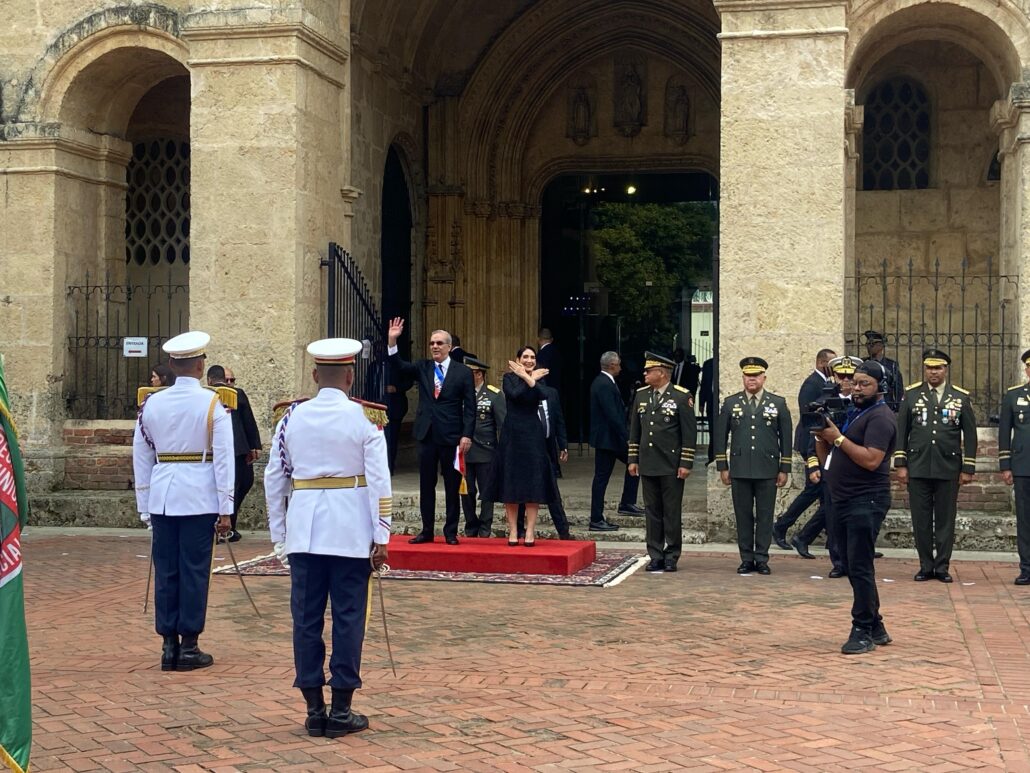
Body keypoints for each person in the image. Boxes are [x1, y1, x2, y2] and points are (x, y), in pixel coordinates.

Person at [263, 337, 391, 738]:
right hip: (350, 530)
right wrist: (382, 534)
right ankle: (342, 707)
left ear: (316, 375)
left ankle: (313, 707)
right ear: (350, 376)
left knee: (305, 619)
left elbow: (274, 479)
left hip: (304, 530)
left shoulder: (290, 418)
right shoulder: (366, 419)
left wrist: (279, 535)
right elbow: (379, 482)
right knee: (349, 618)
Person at [132, 331, 234, 671]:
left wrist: (144, 504)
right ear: (200, 365)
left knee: (167, 570)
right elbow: (223, 459)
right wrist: (226, 508)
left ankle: (167, 645)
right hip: (199, 496)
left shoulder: (151, 403)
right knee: (194, 571)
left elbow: (142, 456)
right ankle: (189, 645)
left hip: (162, 495)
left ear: (173, 366)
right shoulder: (212, 403)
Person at [814, 360, 897, 654]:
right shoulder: (855, 412)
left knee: (860, 565)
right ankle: (875, 625)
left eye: (865, 384)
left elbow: (872, 460)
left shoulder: (881, 418)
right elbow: (828, 459)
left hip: (867, 499)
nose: (857, 388)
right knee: (849, 564)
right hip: (842, 498)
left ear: (880, 387)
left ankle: (861, 628)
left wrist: (837, 437)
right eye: (854, 383)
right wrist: (822, 436)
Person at [387, 317, 475, 545]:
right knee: (426, 485)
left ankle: (450, 532)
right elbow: (400, 366)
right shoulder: (423, 367)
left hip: (451, 435)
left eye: (438, 343)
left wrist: (467, 434)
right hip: (426, 434)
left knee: (452, 485)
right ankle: (426, 530)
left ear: (448, 346)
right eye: (431, 343)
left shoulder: (462, 372)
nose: (434, 346)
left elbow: (470, 407)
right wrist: (392, 341)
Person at [894, 348, 977, 583]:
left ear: (945, 370)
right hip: (918, 466)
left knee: (945, 520)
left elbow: (970, 435)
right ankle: (925, 566)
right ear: (925, 369)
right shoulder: (911, 395)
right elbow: (902, 432)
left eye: (938, 368)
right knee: (920, 520)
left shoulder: (960, 397)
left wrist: (968, 468)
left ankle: (942, 567)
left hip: (948, 467)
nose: (934, 372)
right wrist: (901, 464)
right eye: (930, 368)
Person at [714, 357, 792, 575]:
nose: (752, 380)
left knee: (765, 515)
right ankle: (746, 558)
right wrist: (723, 466)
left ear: (763, 378)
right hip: (739, 468)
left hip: (767, 468)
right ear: (743, 378)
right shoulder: (731, 403)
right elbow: (720, 437)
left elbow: (786, 438)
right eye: (748, 376)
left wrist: (784, 468)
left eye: (756, 375)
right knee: (743, 515)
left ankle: (762, 558)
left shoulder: (777, 403)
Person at [790, 355, 861, 576]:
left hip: (857, 468)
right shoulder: (823, 404)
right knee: (833, 517)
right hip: (831, 466)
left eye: (851, 376)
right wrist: (814, 466)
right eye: (843, 376)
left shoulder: (862, 405)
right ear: (835, 377)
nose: (847, 381)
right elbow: (813, 438)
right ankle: (839, 562)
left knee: (857, 517)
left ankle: (856, 560)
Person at [483, 346, 559, 546]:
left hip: (533, 434)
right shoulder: (509, 378)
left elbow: (544, 395)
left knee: (533, 482)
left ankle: (530, 531)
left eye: (532, 357)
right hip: (512, 433)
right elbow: (514, 395)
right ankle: (514, 530)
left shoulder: (538, 378)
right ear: (518, 359)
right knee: (511, 481)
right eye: (525, 357)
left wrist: (529, 377)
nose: (529, 360)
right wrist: (529, 378)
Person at [628, 352, 696, 572]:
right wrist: (633, 459)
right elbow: (635, 430)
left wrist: (685, 463)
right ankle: (655, 553)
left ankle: (672, 554)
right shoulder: (641, 395)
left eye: (649, 370)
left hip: (671, 464)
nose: (645, 373)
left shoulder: (680, 396)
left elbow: (689, 433)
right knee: (652, 511)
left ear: (662, 373)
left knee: (671, 511)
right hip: (648, 463)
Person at [772, 348, 835, 550]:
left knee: (825, 495)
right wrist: (812, 454)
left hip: (820, 444)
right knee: (814, 490)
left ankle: (831, 537)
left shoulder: (826, 383)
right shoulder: (812, 384)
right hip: (812, 443)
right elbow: (810, 418)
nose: (834, 368)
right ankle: (782, 527)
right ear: (821, 363)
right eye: (831, 364)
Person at [207, 364, 262, 542]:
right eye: (227, 380)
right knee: (231, 487)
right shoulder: (208, 395)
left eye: (232, 381)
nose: (229, 384)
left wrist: (255, 446)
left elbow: (248, 420)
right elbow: (249, 421)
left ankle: (228, 524)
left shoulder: (237, 394)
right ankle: (226, 527)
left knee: (240, 485)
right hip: (222, 449)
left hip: (236, 449)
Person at [515, 381, 574, 539]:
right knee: (522, 490)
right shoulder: (519, 393)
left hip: (546, 448)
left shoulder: (551, 393)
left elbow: (558, 420)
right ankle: (520, 530)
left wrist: (563, 445)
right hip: (525, 449)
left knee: (552, 490)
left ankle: (564, 531)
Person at [588, 351, 639, 532]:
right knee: (601, 478)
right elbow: (612, 414)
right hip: (607, 440)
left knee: (634, 463)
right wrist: (627, 437)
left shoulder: (607, 382)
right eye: (618, 364)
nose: (620, 367)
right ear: (611, 366)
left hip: (611, 439)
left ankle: (627, 502)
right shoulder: (603, 384)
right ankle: (596, 518)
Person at [461, 356, 506, 537]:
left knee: (487, 491)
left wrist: (503, 451)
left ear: (478, 374)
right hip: (465, 451)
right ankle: (471, 525)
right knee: (466, 491)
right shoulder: (460, 393)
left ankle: (485, 526)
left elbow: (502, 424)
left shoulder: (493, 394)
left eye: (468, 373)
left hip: (486, 451)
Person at [1000, 348, 1030, 585]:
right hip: (1023, 466)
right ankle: (1027, 568)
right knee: (1025, 519)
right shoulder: (1013, 396)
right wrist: (1005, 465)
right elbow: (1004, 433)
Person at [863, 331, 904, 411]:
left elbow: (898, 389)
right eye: (867, 344)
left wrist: (897, 408)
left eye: (872, 344)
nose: (869, 347)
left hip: (886, 406)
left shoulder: (891, 365)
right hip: (867, 406)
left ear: (881, 346)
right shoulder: (863, 363)